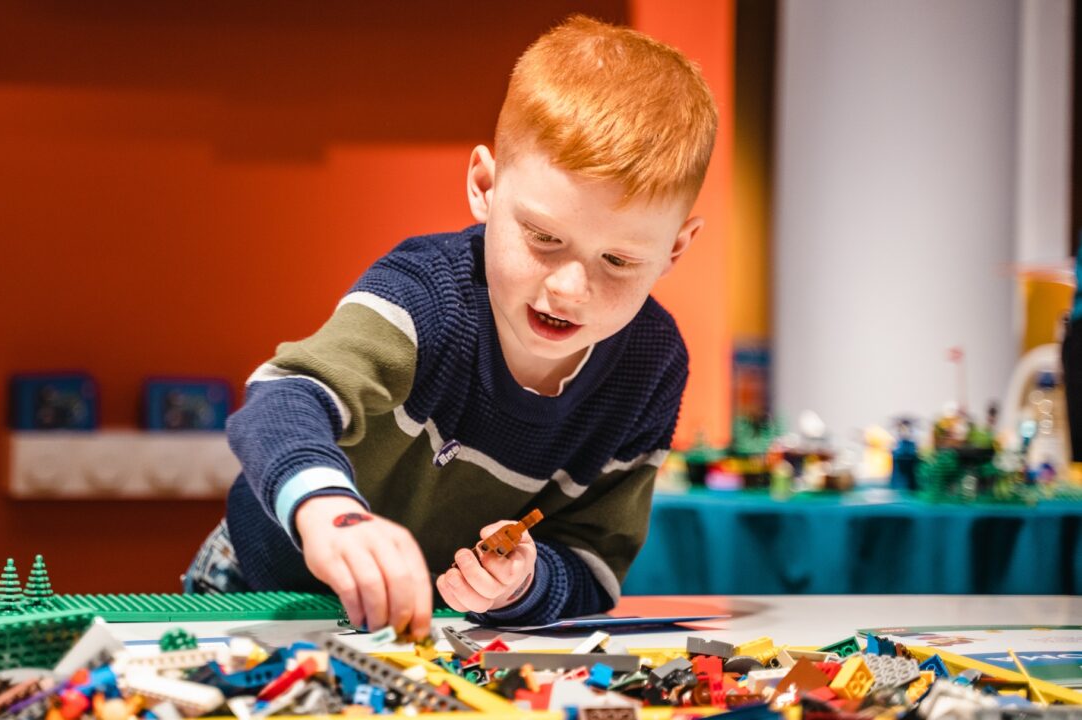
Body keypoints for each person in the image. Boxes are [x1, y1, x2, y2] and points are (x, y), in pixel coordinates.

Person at [185, 14, 718, 641]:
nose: (570, 288)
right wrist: (330, 515)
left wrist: (527, 582)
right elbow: (282, 398)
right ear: (484, 187)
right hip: (263, 589)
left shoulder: (651, 365)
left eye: (620, 261)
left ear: (676, 250)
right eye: (544, 238)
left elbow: (596, 562)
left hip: (432, 631)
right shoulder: (425, 296)